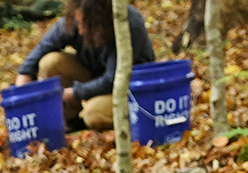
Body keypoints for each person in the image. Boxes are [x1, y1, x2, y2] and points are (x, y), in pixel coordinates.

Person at [13, 0, 154, 133]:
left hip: (129, 88)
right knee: (50, 62)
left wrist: (75, 92)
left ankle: (100, 120)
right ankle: (73, 121)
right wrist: (22, 91)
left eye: (86, 25)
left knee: (94, 114)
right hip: (95, 75)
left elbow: (113, 79)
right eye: (78, 22)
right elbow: (42, 49)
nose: (80, 31)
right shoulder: (74, 20)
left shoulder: (126, 24)